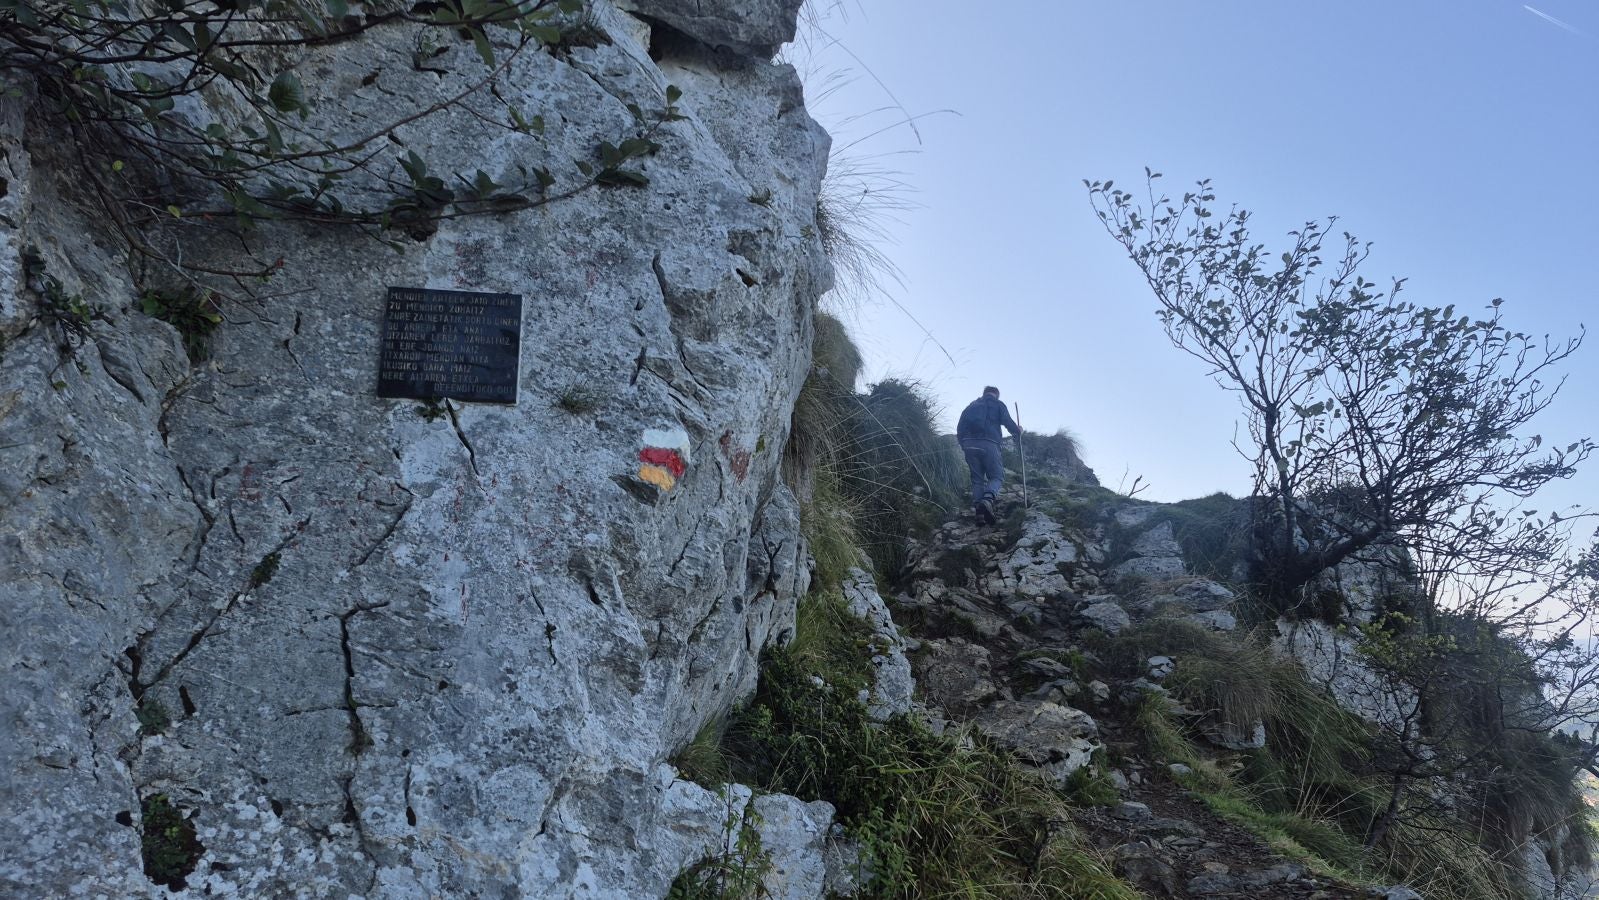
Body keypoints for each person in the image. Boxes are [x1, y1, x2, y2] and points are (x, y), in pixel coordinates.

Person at [956, 386, 1020, 525]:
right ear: (996, 395)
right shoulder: (998, 404)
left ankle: (979, 513)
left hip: (969, 444)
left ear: (984, 393)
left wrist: (963, 445)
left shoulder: (971, 406)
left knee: (977, 479)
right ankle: (988, 499)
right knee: (997, 476)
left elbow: (960, 427)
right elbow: (1007, 421)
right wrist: (1017, 430)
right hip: (989, 443)